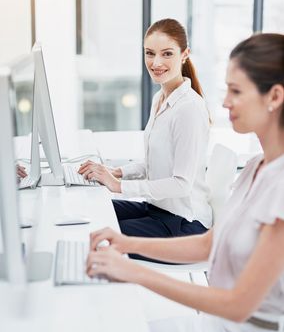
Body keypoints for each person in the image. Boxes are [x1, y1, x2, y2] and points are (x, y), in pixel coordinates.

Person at [86, 33, 284, 331]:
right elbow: (209, 244)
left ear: (275, 97)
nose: (225, 102)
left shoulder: (280, 186)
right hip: (212, 322)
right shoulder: (256, 167)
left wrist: (133, 271)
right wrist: (125, 243)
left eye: (236, 91)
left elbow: (238, 305)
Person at [79, 19, 212, 250]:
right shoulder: (160, 99)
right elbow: (159, 161)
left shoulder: (188, 108)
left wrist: (119, 186)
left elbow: (181, 184)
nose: (156, 62)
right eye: (150, 53)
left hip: (184, 226)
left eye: (167, 54)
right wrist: (117, 172)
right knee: (90, 213)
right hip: (158, 210)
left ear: (184, 54)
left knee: (94, 237)